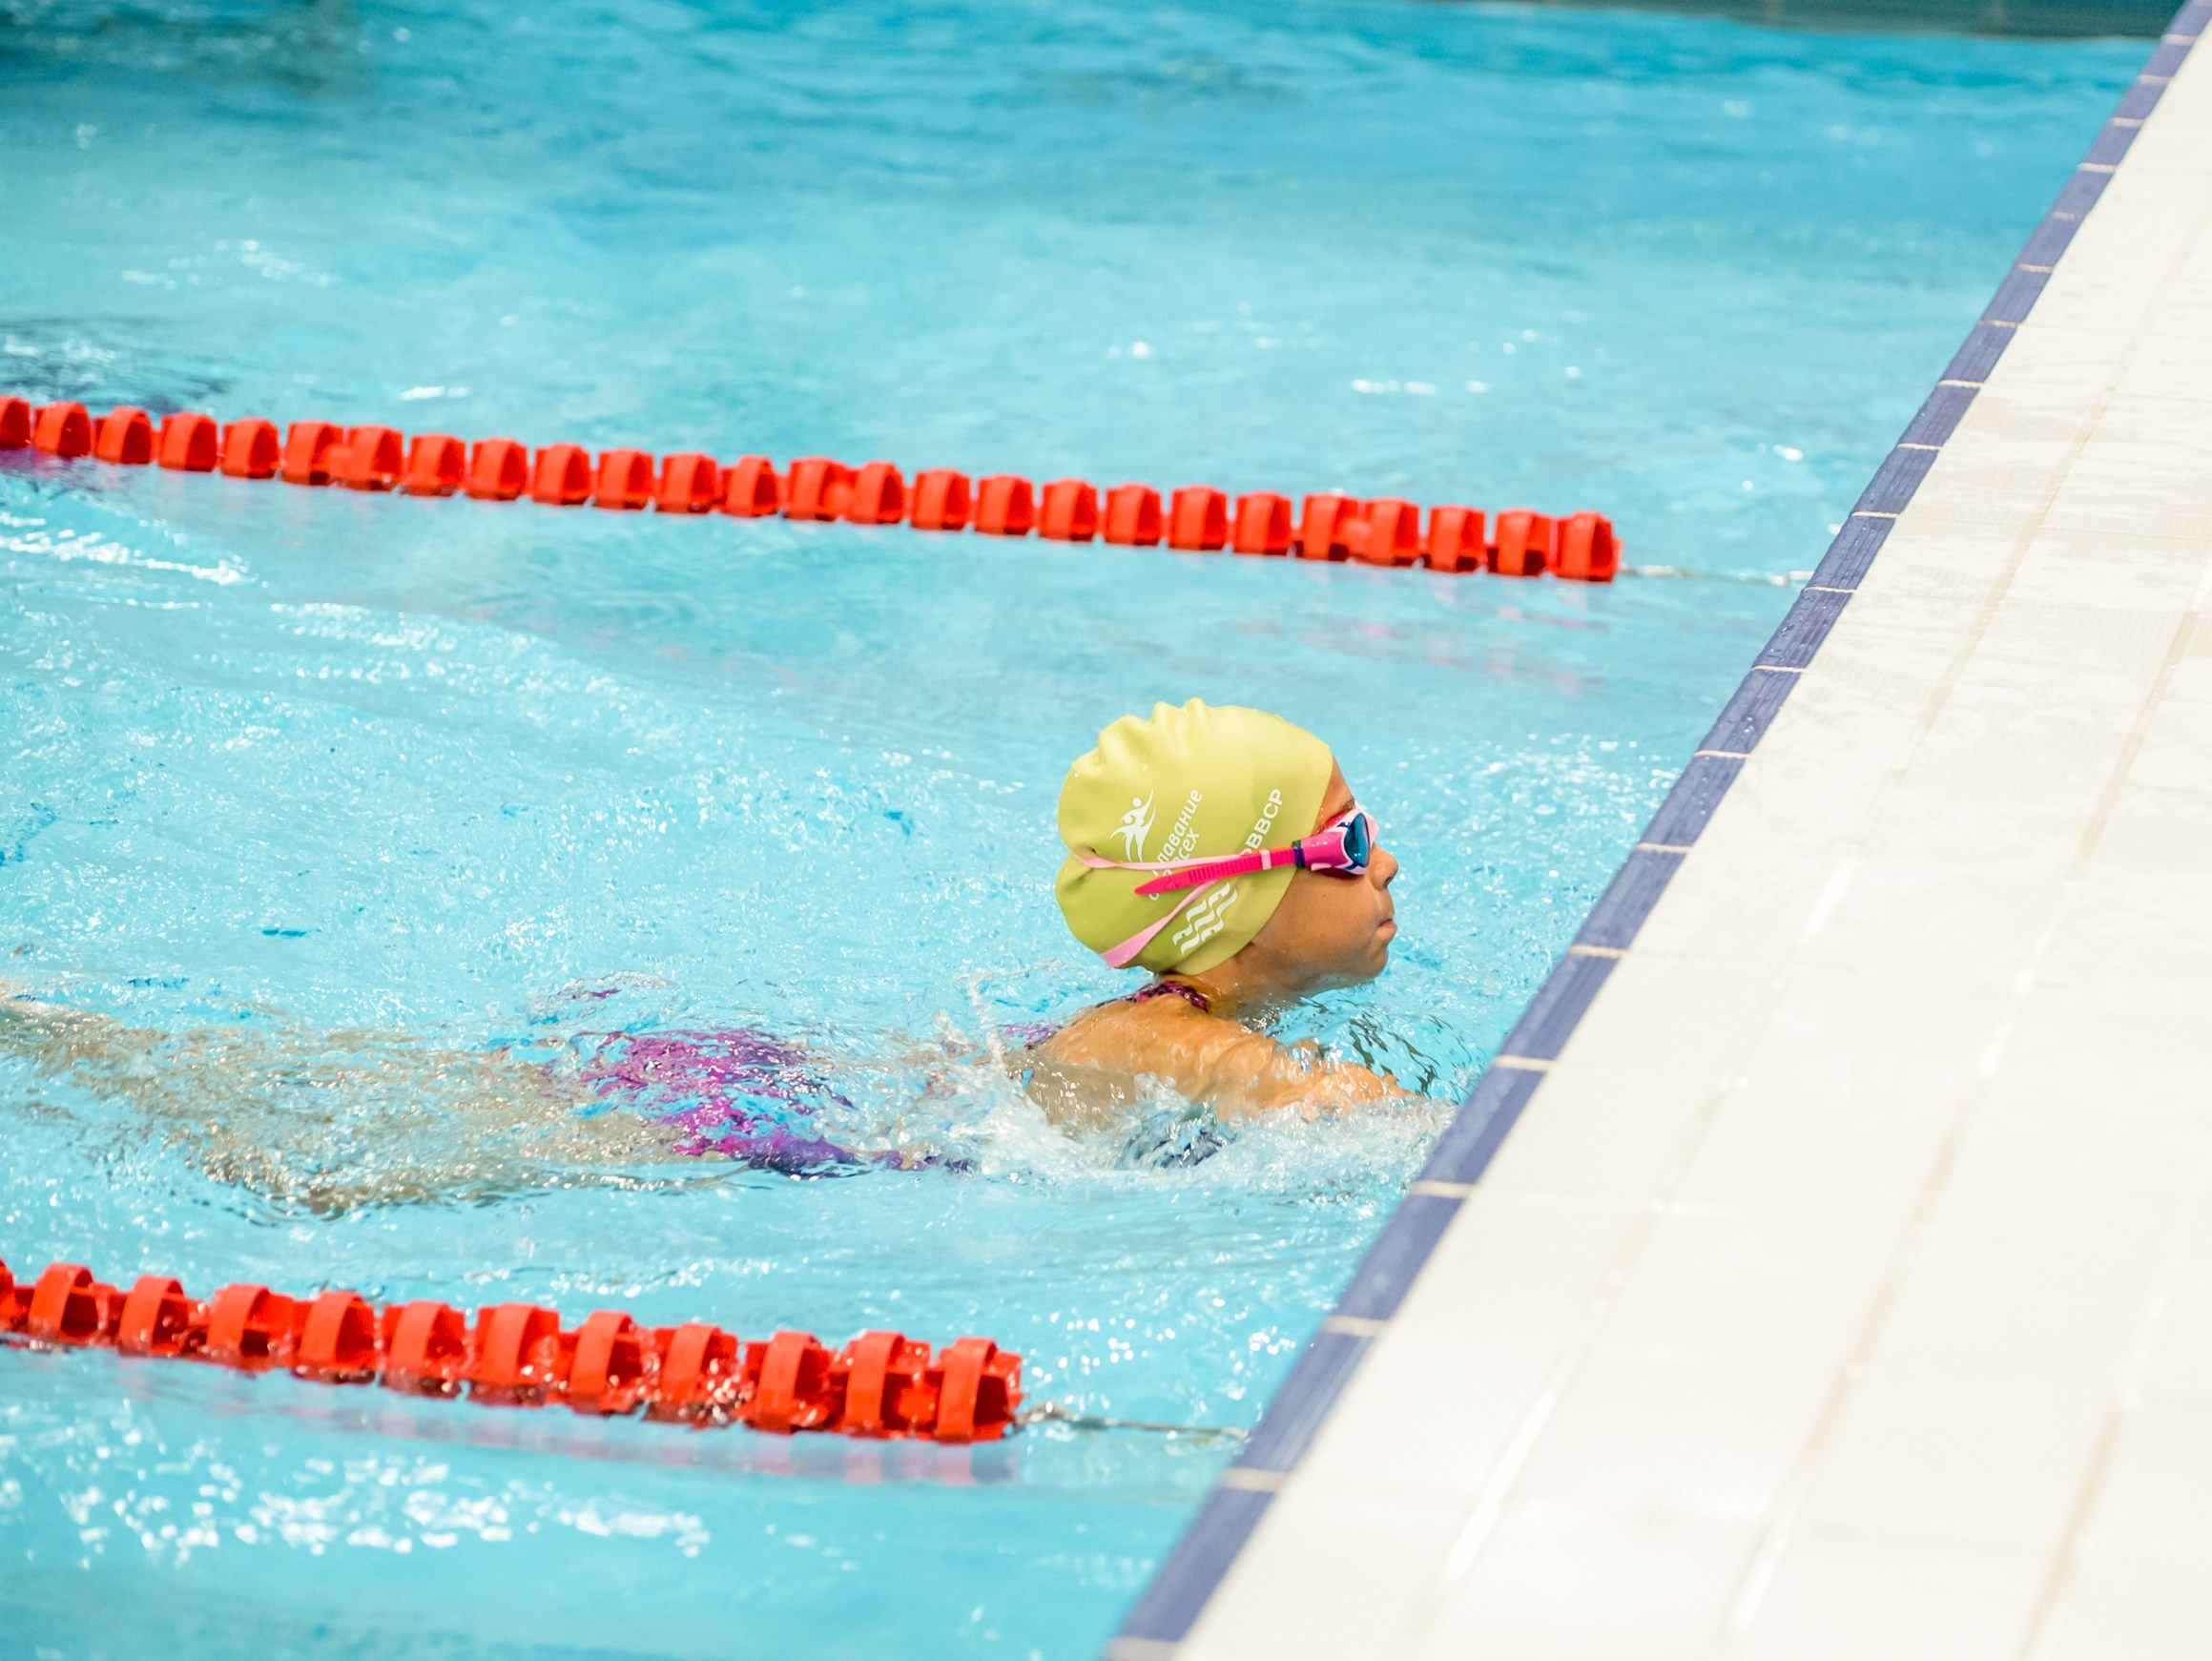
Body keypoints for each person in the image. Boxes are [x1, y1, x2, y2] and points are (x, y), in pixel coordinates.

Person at [1027, 698, 1416, 1128]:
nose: (1387, 864)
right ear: (1233, 901)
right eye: (1350, 842)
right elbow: (1378, 1118)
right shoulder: (1166, 1042)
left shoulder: (1213, 1019)